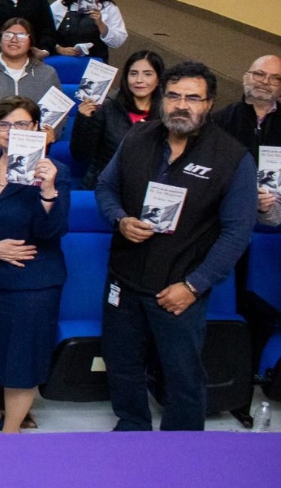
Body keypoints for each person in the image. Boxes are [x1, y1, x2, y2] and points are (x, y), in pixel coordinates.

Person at [96, 61, 255, 431]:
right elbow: (105, 187)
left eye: (193, 98)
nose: (182, 105)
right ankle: (132, 427)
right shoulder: (138, 138)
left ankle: (182, 447)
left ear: (209, 103)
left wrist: (193, 286)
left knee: (182, 376)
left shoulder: (233, 158)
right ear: (162, 99)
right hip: (124, 280)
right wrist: (120, 219)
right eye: (174, 96)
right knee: (122, 364)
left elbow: (237, 234)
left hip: (178, 290)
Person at [0, 97, 70, 434]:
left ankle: (11, 431)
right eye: (4, 125)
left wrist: (47, 191)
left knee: (21, 359)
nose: (11, 132)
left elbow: (53, 232)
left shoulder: (54, 172)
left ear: (37, 129)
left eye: (21, 125)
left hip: (30, 284)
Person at [70, 51, 164, 189]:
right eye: (133, 73)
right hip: (104, 187)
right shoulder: (106, 107)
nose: (139, 80)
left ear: (158, 79)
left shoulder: (167, 113)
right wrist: (85, 120)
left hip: (147, 189)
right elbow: (80, 155)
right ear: (126, 77)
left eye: (148, 74)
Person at [50, 0, 127, 63]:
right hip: (64, 62)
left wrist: (101, 24)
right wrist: (59, 49)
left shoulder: (108, 7)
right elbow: (44, 34)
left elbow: (118, 42)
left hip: (96, 66)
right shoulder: (59, 5)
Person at [212, 54, 281, 167]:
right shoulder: (218, 121)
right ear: (245, 78)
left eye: (275, 78)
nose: (265, 81)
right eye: (259, 74)